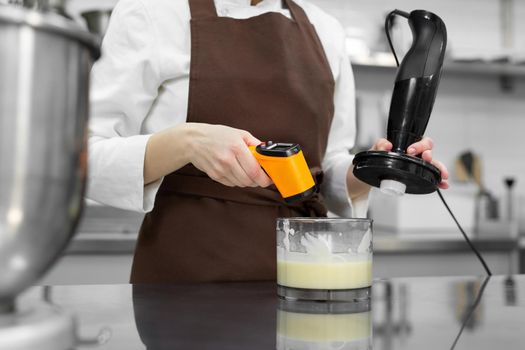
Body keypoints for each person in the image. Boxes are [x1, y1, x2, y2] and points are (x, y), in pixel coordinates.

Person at [88, 0, 449, 283]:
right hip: (187, 276)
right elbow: (84, 157)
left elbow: (327, 165)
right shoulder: (153, 12)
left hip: (306, 272)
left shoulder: (325, 31)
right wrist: (187, 142)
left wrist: (378, 166)